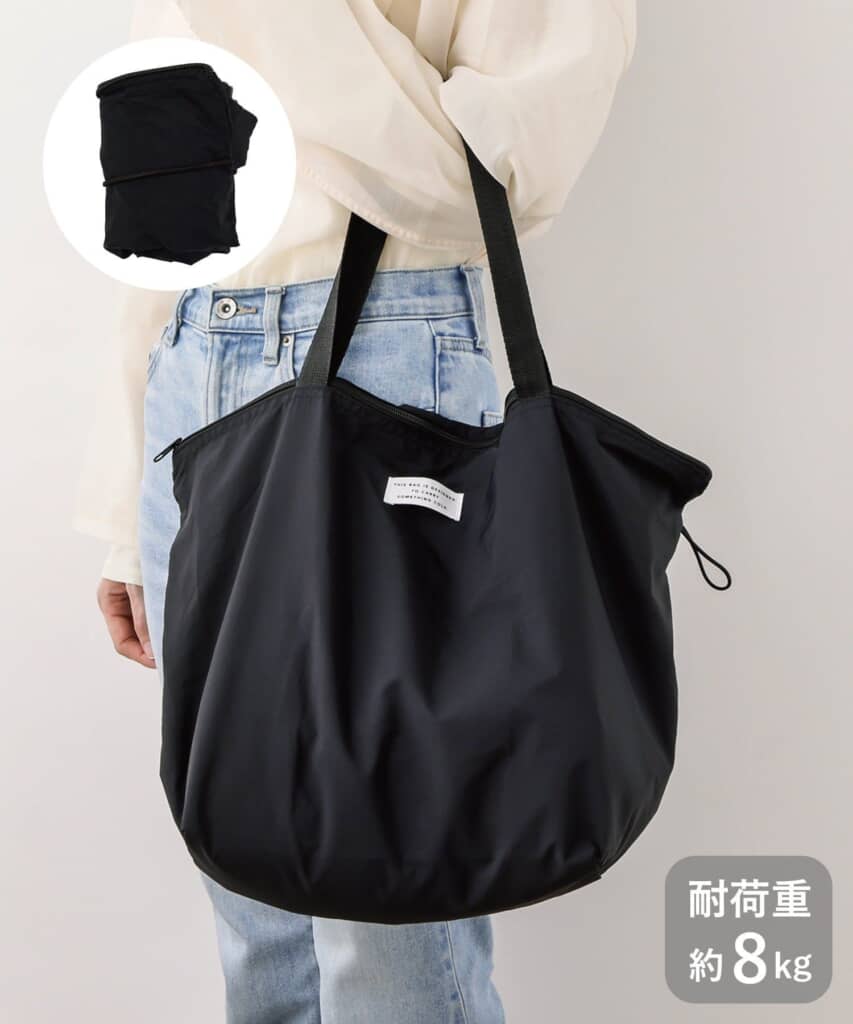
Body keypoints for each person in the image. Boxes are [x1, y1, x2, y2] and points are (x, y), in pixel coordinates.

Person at [74, 1, 636, 1020]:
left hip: (390, 348)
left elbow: (493, 180)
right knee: (252, 897)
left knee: (385, 925)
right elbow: (160, 211)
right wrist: (125, 508)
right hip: (190, 362)